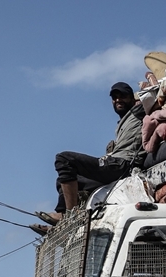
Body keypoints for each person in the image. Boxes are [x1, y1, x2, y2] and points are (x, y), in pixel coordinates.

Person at [36, 82, 146, 233]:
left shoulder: (138, 111)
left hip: (122, 164)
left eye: (123, 96)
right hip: (115, 163)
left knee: (64, 159)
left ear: (132, 98)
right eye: (114, 97)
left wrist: (146, 85)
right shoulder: (123, 121)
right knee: (63, 181)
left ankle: (71, 215)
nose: (118, 100)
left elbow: (153, 95)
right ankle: (61, 219)